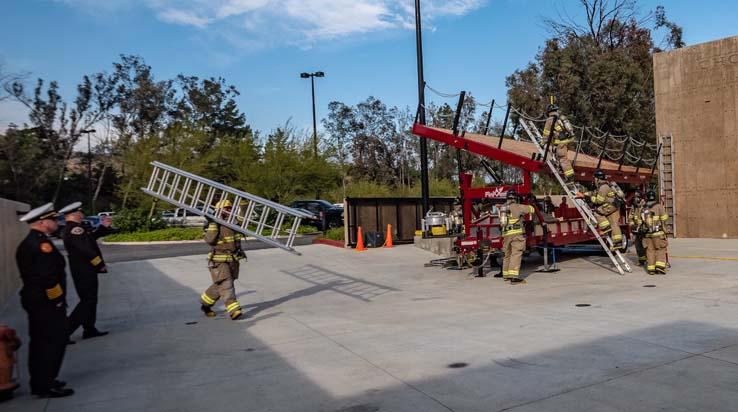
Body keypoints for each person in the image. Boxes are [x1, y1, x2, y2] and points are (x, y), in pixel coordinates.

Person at [16, 203, 74, 398]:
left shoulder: (34, 241)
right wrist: (57, 300)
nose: (56, 222)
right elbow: (48, 277)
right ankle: (45, 384)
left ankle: (42, 380)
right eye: (53, 219)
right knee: (51, 342)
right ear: (42, 223)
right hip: (45, 302)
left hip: (37, 300)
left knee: (41, 342)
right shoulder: (41, 245)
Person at [59, 202, 112, 340]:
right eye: (80, 211)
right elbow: (86, 250)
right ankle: (65, 331)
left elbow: (90, 240)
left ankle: (89, 328)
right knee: (87, 301)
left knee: (90, 300)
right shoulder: (75, 229)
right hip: (84, 269)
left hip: (83, 269)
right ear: (74, 214)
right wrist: (99, 264)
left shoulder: (76, 228)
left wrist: (102, 228)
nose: (82, 213)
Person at [200, 200, 245, 320]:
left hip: (233, 259)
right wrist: (214, 223)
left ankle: (205, 304)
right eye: (226, 208)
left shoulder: (233, 223)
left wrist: (243, 204)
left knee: (220, 285)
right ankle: (234, 310)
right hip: (219, 260)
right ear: (219, 211)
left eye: (230, 208)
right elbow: (209, 240)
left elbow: (243, 219)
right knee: (226, 283)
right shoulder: (213, 224)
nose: (229, 210)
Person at [578, 169, 623, 250]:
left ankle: (605, 228)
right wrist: (584, 194)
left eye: (595, 177)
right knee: (614, 224)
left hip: (610, 206)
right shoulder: (603, 185)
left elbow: (599, 201)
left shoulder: (603, 187)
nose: (594, 179)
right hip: (614, 206)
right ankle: (618, 243)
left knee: (597, 213)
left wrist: (589, 198)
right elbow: (594, 193)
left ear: (598, 178)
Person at [499, 189, 534, 285]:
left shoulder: (503, 208)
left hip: (506, 234)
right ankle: (514, 277)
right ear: (515, 198)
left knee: (507, 255)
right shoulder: (517, 207)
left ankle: (506, 275)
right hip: (516, 234)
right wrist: (529, 201)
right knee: (516, 254)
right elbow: (531, 209)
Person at [542, 102, 576, 181]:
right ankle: (568, 175)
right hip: (566, 142)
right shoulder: (560, 118)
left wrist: (543, 143)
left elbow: (546, 133)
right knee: (562, 157)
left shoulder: (550, 120)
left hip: (560, 143)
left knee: (563, 159)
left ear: (548, 112)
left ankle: (570, 177)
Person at [642, 190, 669, 275]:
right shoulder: (659, 206)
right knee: (660, 248)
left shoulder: (643, 207)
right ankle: (660, 267)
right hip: (658, 233)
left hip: (647, 234)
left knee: (650, 251)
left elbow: (640, 220)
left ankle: (651, 269)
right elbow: (664, 218)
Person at [628, 190, 647, 267]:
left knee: (646, 246)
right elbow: (630, 218)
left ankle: (650, 260)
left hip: (645, 230)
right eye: (635, 197)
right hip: (637, 230)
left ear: (641, 198)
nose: (635, 199)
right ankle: (641, 260)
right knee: (638, 246)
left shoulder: (646, 206)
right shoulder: (634, 207)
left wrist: (644, 227)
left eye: (637, 197)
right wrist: (632, 225)